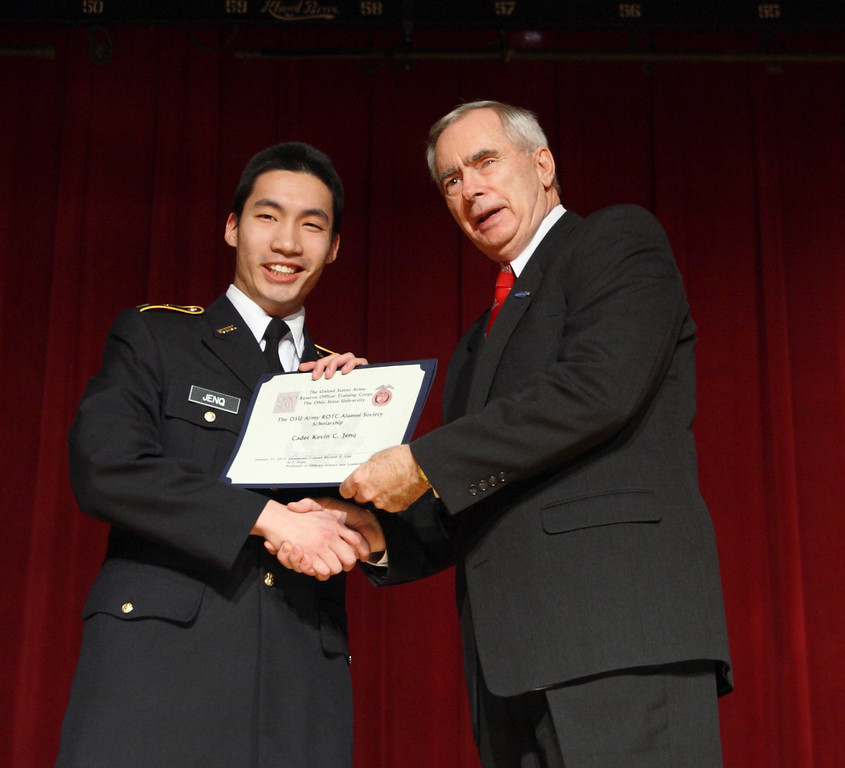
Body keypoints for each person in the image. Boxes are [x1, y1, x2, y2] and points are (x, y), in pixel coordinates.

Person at [326, 101, 733, 767]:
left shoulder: (616, 240)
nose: (470, 187)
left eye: (484, 161)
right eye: (451, 180)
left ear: (541, 164)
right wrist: (368, 531)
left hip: (617, 642)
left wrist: (422, 462)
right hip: (510, 670)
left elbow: (595, 390)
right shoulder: (472, 346)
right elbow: (473, 493)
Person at [56, 142, 372, 768]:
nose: (288, 242)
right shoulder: (157, 335)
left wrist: (364, 421)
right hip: (159, 676)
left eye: (312, 225)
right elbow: (105, 466)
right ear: (232, 227)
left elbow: (373, 530)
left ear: (333, 246)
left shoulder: (344, 383)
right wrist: (269, 519)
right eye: (267, 216)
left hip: (299, 689)